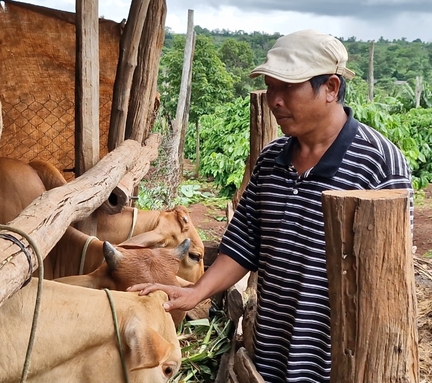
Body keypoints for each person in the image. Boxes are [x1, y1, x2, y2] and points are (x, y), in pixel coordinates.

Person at [129, 29, 413, 382]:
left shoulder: (378, 164)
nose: (274, 100)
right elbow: (244, 243)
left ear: (331, 88)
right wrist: (194, 292)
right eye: (271, 86)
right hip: (271, 348)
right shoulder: (271, 160)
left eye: (288, 88)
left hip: (336, 357)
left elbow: (387, 276)